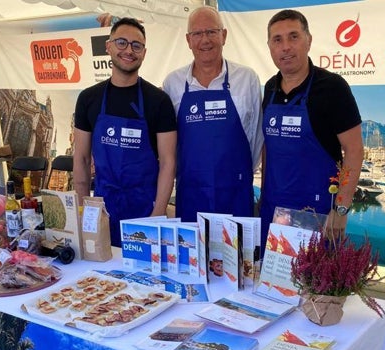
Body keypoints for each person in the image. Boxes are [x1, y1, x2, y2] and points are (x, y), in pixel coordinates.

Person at [260, 9, 364, 242]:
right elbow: (268, 147)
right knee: (270, 278)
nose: (285, 46)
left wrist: (342, 210)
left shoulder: (333, 88)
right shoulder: (269, 89)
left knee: (314, 279)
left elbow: (354, 150)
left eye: (293, 36)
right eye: (277, 39)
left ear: (308, 41)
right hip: (274, 211)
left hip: (319, 216)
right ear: (270, 47)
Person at [73, 18, 177, 247]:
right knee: (99, 281)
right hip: (102, 210)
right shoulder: (88, 99)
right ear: (108, 46)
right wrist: (82, 213)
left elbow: (168, 162)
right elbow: (80, 159)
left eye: (136, 45)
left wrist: (157, 215)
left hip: (144, 210)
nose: (129, 50)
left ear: (144, 53)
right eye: (121, 43)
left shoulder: (158, 101)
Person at [163, 6, 263, 222]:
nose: (205, 40)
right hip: (191, 194)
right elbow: (168, 144)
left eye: (211, 32)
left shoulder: (247, 79)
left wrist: (237, 174)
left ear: (223, 35)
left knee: (236, 256)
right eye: (197, 34)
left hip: (235, 193)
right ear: (188, 40)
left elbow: (257, 137)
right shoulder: (173, 83)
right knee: (193, 256)